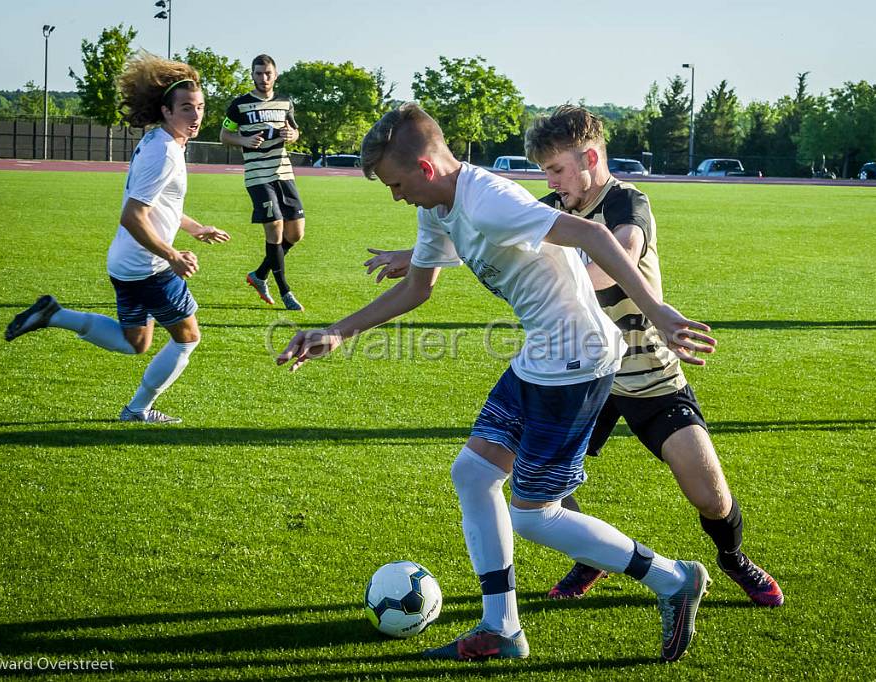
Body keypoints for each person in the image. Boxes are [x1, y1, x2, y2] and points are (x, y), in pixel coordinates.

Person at [277, 103, 717, 662]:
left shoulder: (487, 197)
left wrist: (658, 312)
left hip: (578, 360)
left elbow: (594, 236)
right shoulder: (438, 209)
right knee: (473, 474)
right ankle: (501, 627)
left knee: (534, 514)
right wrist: (337, 332)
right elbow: (417, 288)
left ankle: (673, 579)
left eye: (396, 184)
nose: (395, 196)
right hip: (542, 355)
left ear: (427, 169)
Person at [364, 105, 784, 608]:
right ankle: (590, 558)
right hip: (582, 370)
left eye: (558, 169)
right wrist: (414, 257)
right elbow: (487, 237)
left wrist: (568, 287)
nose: (551, 181)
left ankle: (733, 559)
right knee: (535, 482)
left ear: (589, 158)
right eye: (544, 172)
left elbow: (617, 251)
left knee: (708, 494)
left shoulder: (626, 203)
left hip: (645, 371)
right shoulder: (546, 205)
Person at [4, 54, 230, 423]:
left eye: (201, 107)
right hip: (149, 265)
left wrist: (194, 227)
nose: (196, 116)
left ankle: (54, 315)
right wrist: (172, 254)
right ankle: (137, 410)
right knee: (188, 338)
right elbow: (132, 216)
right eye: (187, 108)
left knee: (135, 342)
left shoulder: (158, 140)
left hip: (125, 262)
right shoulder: (166, 153)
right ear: (166, 111)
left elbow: (157, 206)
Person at [220, 54, 305, 311]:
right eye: (259, 73)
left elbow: (295, 130)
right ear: (252, 75)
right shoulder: (239, 105)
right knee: (276, 229)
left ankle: (259, 275)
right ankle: (285, 292)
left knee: (296, 233)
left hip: (284, 173)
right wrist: (243, 141)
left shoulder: (285, 103)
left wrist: (293, 134)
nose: (263, 78)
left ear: (275, 75)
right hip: (258, 176)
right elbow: (224, 134)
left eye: (268, 73)